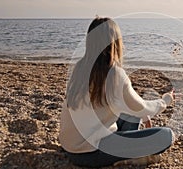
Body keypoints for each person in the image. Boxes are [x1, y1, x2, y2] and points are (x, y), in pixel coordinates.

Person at [59, 16, 175, 168]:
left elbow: (136, 107)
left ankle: (124, 150)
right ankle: (128, 158)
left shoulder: (79, 67)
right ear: (115, 43)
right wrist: (165, 101)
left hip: (70, 147)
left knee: (131, 112)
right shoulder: (115, 74)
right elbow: (143, 107)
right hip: (90, 153)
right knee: (166, 136)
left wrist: (142, 113)